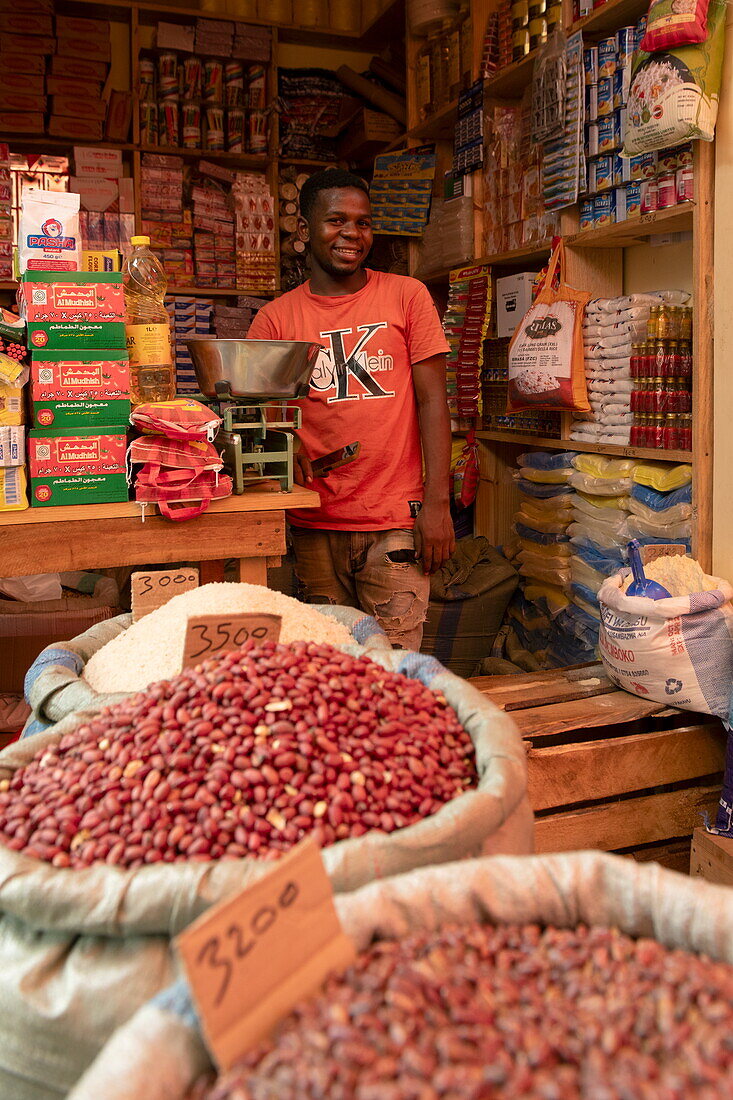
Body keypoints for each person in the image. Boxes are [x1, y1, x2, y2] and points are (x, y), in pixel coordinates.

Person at [247, 168, 454, 649]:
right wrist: (282, 437)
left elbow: (433, 401)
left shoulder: (407, 296)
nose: (352, 234)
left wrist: (438, 504)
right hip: (315, 521)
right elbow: (256, 410)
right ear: (304, 231)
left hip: (395, 522)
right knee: (331, 669)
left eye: (363, 223)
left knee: (397, 669)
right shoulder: (275, 319)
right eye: (336, 220)